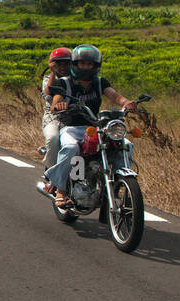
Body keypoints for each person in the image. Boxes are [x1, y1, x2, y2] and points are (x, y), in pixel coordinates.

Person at [44, 44, 138, 208]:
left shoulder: (100, 82)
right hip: (72, 128)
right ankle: (60, 190)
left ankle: (119, 182)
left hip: (96, 127)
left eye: (90, 64)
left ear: (95, 66)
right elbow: (56, 100)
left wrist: (126, 103)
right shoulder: (65, 82)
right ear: (76, 64)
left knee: (126, 145)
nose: (86, 67)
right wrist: (58, 105)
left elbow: (114, 95)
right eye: (83, 64)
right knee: (70, 148)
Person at [40, 47, 71, 170]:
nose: (63, 67)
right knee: (53, 139)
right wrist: (53, 72)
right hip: (54, 117)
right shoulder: (48, 79)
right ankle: (51, 172)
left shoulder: (75, 79)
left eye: (66, 64)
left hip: (74, 117)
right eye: (59, 64)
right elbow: (48, 95)